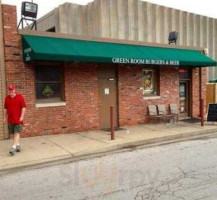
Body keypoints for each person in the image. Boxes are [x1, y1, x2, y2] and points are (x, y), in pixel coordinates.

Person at [3, 85, 26, 155]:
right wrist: (4, 117)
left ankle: (13, 147)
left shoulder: (19, 97)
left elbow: (23, 107)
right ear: (8, 90)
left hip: (18, 120)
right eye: (9, 90)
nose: (11, 91)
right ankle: (17, 145)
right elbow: (5, 109)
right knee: (13, 133)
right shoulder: (7, 98)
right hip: (11, 120)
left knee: (17, 133)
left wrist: (22, 116)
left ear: (14, 90)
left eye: (12, 90)